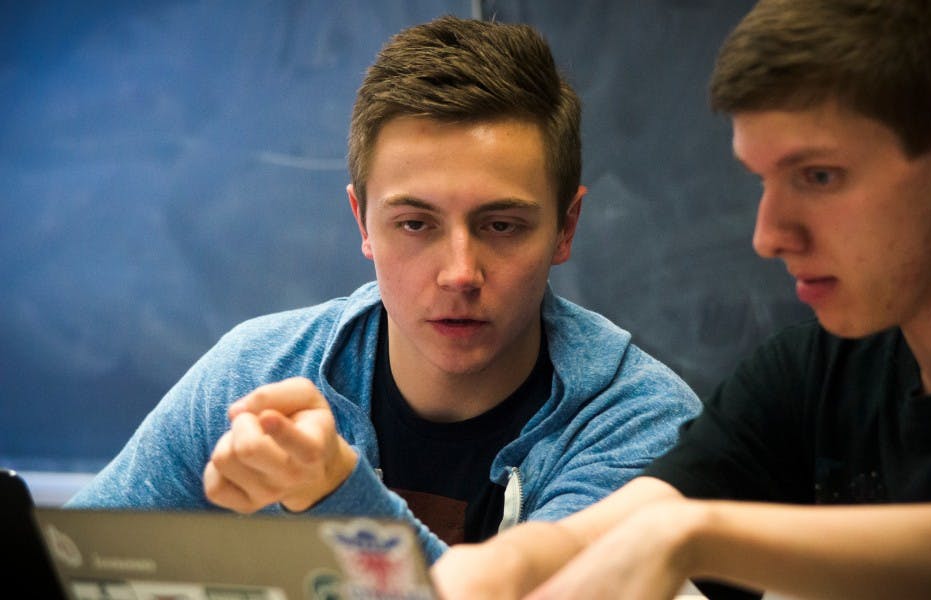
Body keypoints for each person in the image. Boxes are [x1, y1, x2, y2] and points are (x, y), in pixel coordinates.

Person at [66, 15, 700, 565]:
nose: (459, 272)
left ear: (565, 228)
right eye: (415, 224)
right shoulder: (257, 374)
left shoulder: (639, 425)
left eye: (501, 225)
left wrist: (337, 495)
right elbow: (75, 559)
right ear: (361, 224)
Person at [431, 1, 931, 598]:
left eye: (819, 176)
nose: (768, 235)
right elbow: (627, 521)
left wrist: (694, 535)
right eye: (762, 181)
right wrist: (511, 562)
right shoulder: (810, 374)